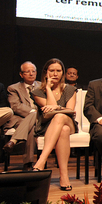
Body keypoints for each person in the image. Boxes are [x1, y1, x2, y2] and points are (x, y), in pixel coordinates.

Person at [31, 58, 78, 191]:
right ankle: (64, 176)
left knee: (60, 116)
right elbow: (50, 110)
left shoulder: (70, 89)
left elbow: (70, 110)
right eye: (52, 71)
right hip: (48, 126)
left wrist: (57, 108)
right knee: (63, 130)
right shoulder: (38, 91)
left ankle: (41, 160)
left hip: (69, 121)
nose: (55, 74)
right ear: (46, 72)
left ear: (63, 72)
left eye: (59, 71)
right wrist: (48, 88)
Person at [5, 61, 41, 170]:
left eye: (33, 71)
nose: (31, 74)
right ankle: (28, 163)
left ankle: (14, 140)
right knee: (32, 128)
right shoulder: (13, 88)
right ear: (21, 74)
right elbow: (16, 106)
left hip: (40, 118)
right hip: (21, 118)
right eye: (27, 72)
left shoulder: (43, 86)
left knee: (34, 119)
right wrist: (33, 112)